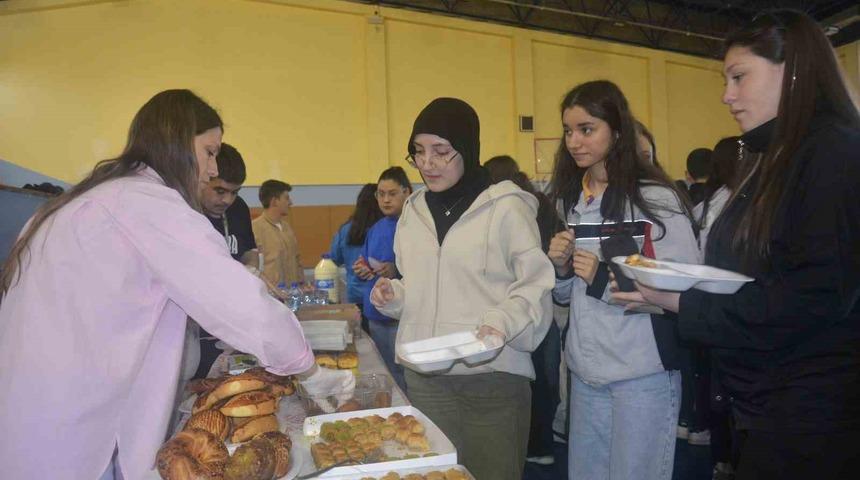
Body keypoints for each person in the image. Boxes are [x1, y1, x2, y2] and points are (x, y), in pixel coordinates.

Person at [0, 89, 353, 480]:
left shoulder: (87, 200)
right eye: (209, 152)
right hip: (77, 434)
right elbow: (241, 304)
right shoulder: (147, 203)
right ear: (177, 145)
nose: (213, 169)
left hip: (34, 420)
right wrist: (308, 370)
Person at [615, 10, 860, 479]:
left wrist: (683, 304)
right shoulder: (780, 156)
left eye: (739, 77)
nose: (727, 96)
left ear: (793, 73)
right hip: (770, 406)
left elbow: (811, 297)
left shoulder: (834, 154)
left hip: (812, 417)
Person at [370, 97, 555, 480]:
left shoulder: (506, 207)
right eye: (418, 152)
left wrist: (501, 322)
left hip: (492, 379)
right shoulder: (414, 209)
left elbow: (535, 285)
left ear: (468, 149)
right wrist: (395, 296)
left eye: (441, 151)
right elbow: (419, 285)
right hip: (426, 380)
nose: (427, 163)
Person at [546, 80, 699, 480]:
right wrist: (561, 270)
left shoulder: (656, 199)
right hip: (586, 373)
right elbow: (565, 297)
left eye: (586, 129)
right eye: (568, 130)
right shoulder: (569, 201)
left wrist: (600, 278)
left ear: (616, 130)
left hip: (642, 374)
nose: (574, 141)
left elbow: (683, 287)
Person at [484, 155, 564, 466]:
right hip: (545, 306)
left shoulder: (502, 209)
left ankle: (531, 443)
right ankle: (543, 443)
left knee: (523, 381)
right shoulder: (541, 204)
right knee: (546, 378)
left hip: (513, 306)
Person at [193, 142, 261, 380]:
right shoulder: (186, 214)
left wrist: (252, 268)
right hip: (196, 331)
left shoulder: (238, 209)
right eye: (219, 190)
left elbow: (248, 249)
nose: (227, 200)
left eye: (235, 192)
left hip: (234, 325)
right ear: (202, 179)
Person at [354, 167, 412, 393]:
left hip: (402, 317)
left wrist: (395, 269)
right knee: (385, 373)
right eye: (381, 194)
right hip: (376, 315)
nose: (385, 199)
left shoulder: (415, 227)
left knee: (406, 374)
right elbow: (366, 262)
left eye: (392, 193)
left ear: (406, 192)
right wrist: (362, 268)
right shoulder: (376, 229)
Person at [329, 183, 383, 332]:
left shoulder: (346, 229)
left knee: (361, 342)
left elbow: (334, 258)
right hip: (381, 296)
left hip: (355, 296)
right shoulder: (384, 229)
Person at [253, 179, 304, 288]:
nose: (290, 202)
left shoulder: (287, 228)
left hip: (292, 295)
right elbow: (251, 267)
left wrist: (301, 284)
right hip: (269, 296)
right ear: (274, 201)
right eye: (286, 198)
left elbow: (297, 259)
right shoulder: (255, 229)